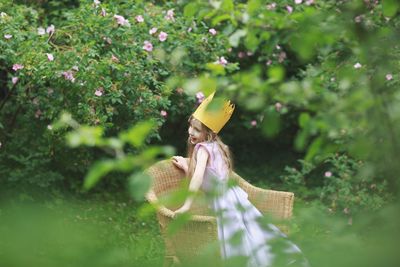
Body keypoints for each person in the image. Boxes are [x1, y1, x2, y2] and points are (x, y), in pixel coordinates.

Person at [172, 91, 309, 267]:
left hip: (224, 203)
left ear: (208, 133)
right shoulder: (215, 146)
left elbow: (199, 176)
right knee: (253, 232)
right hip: (233, 196)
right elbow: (209, 173)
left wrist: (186, 205)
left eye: (197, 129)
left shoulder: (202, 149)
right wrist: (186, 166)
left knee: (235, 241)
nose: (191, 131)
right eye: (191, 126)